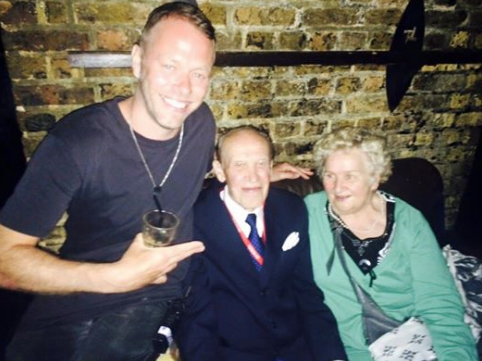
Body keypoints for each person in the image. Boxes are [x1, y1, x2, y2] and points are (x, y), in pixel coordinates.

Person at [0, 3, 310, 360]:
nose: (184, 89)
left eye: (199, 73)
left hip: (157, 299)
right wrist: (114, 278)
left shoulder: (200, 124)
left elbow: (213, 168)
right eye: (169, 66)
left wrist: (260, 174)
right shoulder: (78, 143)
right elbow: (6, 259)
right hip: (75, 301)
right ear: (137, 62)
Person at [304, 126, 478, 361]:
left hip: (412, 334)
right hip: (351, 348)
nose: (337, 187)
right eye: (329, 175)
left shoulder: (408, 221)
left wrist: (457, 356)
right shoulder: (308, 212)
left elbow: (438, 299)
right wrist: (268, 173)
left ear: (374, 178)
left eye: (350, 176)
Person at [176, 125, 348, 361]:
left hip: (295, 348)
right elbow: (195, 316)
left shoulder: (292, 208)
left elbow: (306, 291)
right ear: (220, 170)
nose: (253, 176)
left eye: (260, 164)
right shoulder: (194, 221)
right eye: (239, 165)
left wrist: (332, 355)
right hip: (232, 353)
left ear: (270, 167)